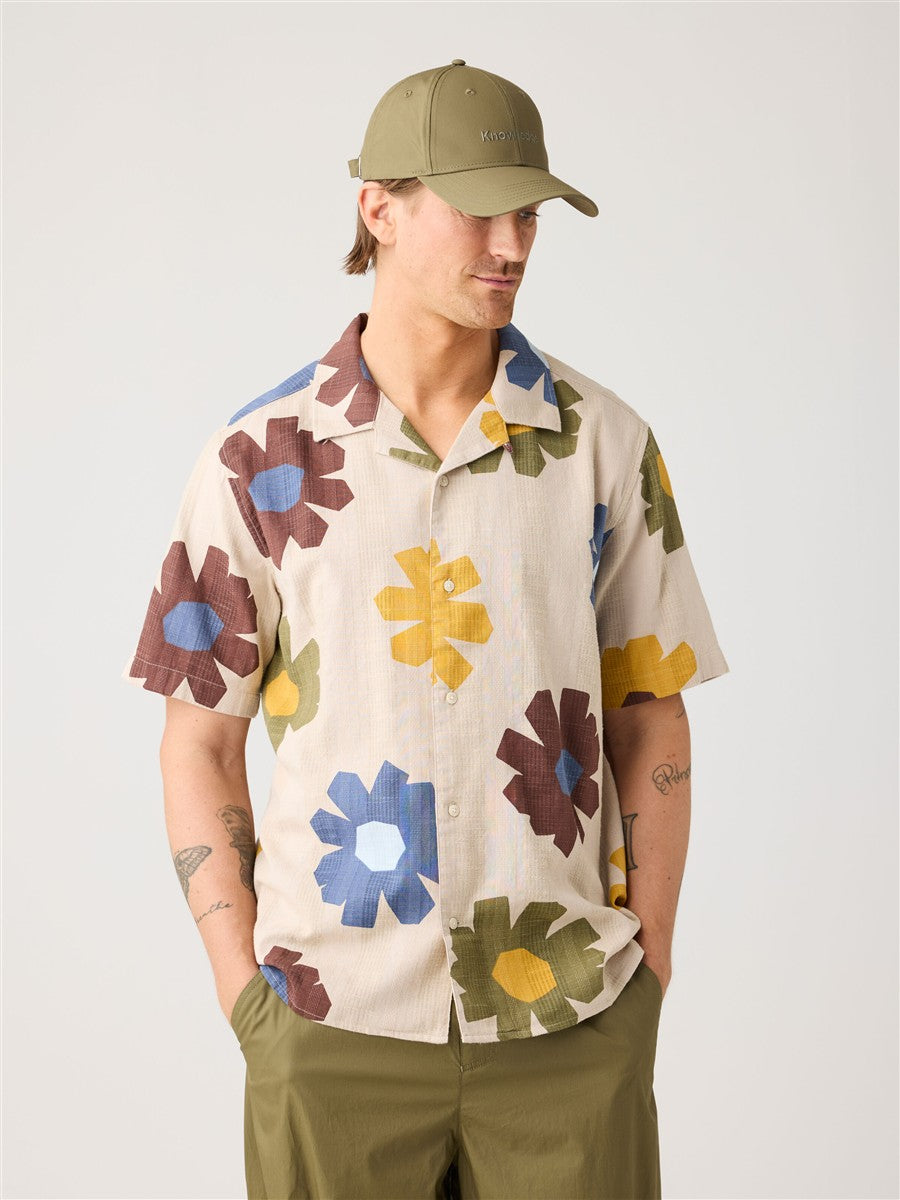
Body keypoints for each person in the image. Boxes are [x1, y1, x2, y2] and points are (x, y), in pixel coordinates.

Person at [123, 58, 729, 1200]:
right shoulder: (257, 463)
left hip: (569, 1027)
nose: (512, 243)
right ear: (380, 209)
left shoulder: (605, 447)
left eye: (529, 212)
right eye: (480, 209)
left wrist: (647, 969)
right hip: (329, 1028)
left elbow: (653, 715)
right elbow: (197, 740)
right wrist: (245, 994)